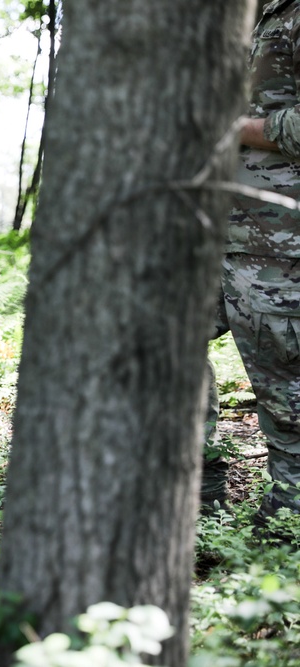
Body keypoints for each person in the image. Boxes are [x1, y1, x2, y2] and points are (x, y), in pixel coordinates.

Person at [222, 0, 300, 521]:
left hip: (278, 247)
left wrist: (239, 130)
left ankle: (289, 520)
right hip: (211, 233)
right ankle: (198, 492)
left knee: (286, 395)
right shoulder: (247, 15)